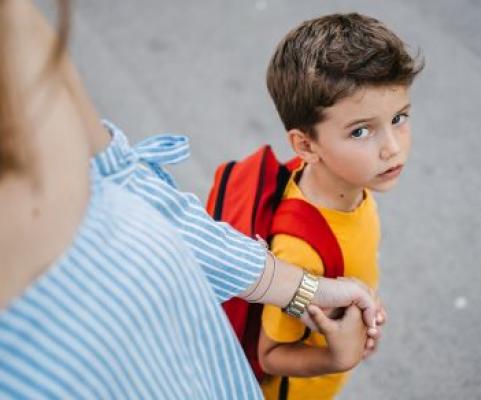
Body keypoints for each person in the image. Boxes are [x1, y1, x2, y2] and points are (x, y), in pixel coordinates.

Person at [0, 2, 381, 398]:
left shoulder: (13, 30)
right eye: (361, 131)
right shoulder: (300, 240)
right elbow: (272, 355)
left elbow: (133, 184)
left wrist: (305, 291)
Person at [257, 13, 424, 400]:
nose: (392, 148)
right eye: (360, 131)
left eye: (399, 118)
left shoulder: (351, 185)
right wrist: (339, 357)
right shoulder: (299, 252)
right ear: (306, 146)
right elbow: (270, 355)